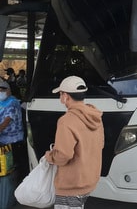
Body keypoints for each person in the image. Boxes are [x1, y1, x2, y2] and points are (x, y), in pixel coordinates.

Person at [45, 76, 104, 209]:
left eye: (60, 94)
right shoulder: (95, 116)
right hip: (89, 180)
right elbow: (100, 144)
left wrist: (49, 156)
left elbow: (63, 156)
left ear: (66, 96)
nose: (60, 97)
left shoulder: (66, 121)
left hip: (72, 185)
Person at [0, 79, 27, 182]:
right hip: (4, 141)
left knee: (15, 168)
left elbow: (6, 121)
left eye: (3, 89)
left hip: (14, 141)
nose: (0, 92)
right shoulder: (2, 103)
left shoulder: (12, 103)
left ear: (9, 91)